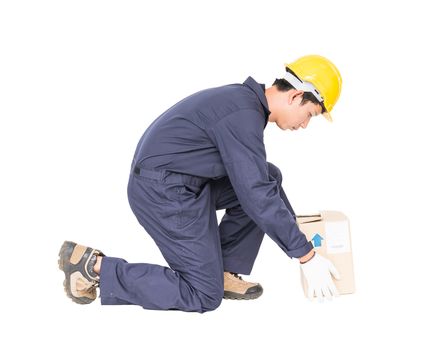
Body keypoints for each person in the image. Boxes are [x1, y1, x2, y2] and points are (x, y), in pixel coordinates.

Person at [58, 55, 343, 312]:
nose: (304, 125)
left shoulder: (243, 105)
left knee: (269, 176)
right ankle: (94, 268)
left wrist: (297, 233)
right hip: (163, 192)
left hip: (181, 183)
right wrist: (305, 254)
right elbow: (256, 193)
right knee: (203, 294)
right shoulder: (242, 116)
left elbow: (260, 187)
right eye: (310, 116)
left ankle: (223, 271)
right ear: (295, 96)